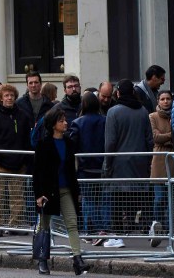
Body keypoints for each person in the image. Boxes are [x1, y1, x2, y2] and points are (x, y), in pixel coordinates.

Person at [33, 107, 89, 276]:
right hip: (48, 192)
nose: (66, 123)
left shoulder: (68, 142)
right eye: (61, 121)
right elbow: (37, 172)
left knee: (72, 223)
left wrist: (76, 191)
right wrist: (38, 195)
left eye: (65, 120)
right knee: (44, 226)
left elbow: (72, 170)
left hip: (66, 189)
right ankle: (42, 260)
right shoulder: (43, 144)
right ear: (52, 125)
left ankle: (77, 259)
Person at [104, 79, 153, 245]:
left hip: (119, 161)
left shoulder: (113, 112)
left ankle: (118, 230)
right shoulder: (143, 111)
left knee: (117, 197)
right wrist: (148, 159)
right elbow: (149, 139)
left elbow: (110, 141)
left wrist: (107, 164)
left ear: (118, 93)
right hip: (140, 159)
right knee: (139, 195)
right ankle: (143, 226)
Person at [0, 84, 30, 236]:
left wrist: (24, 160)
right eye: (6, 95)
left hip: (18, 164)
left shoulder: (22, 115)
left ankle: (15, 224)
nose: (9, 98)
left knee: (17, 197)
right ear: (1, 98)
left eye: (12, 95)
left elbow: (26, 139)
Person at [67, 92, 108, 245]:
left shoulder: (78, 122)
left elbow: (72, 144)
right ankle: (102, 229)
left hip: (85, 166)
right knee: (102, 200)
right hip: (102, 166)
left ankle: (90, 231)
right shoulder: (104, 120)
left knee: (88, 199)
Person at [147, 90, 174, 246]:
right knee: (159, 198)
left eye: (168, 98)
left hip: (172, 158)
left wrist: (167, 136)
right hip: (158, 159)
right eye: (162, 99)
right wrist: (172, 134)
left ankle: (170, 228)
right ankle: (156, 226)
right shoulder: (153, 116)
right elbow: (156, 137)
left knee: (171, 197)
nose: (165, 101)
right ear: (158, 101)